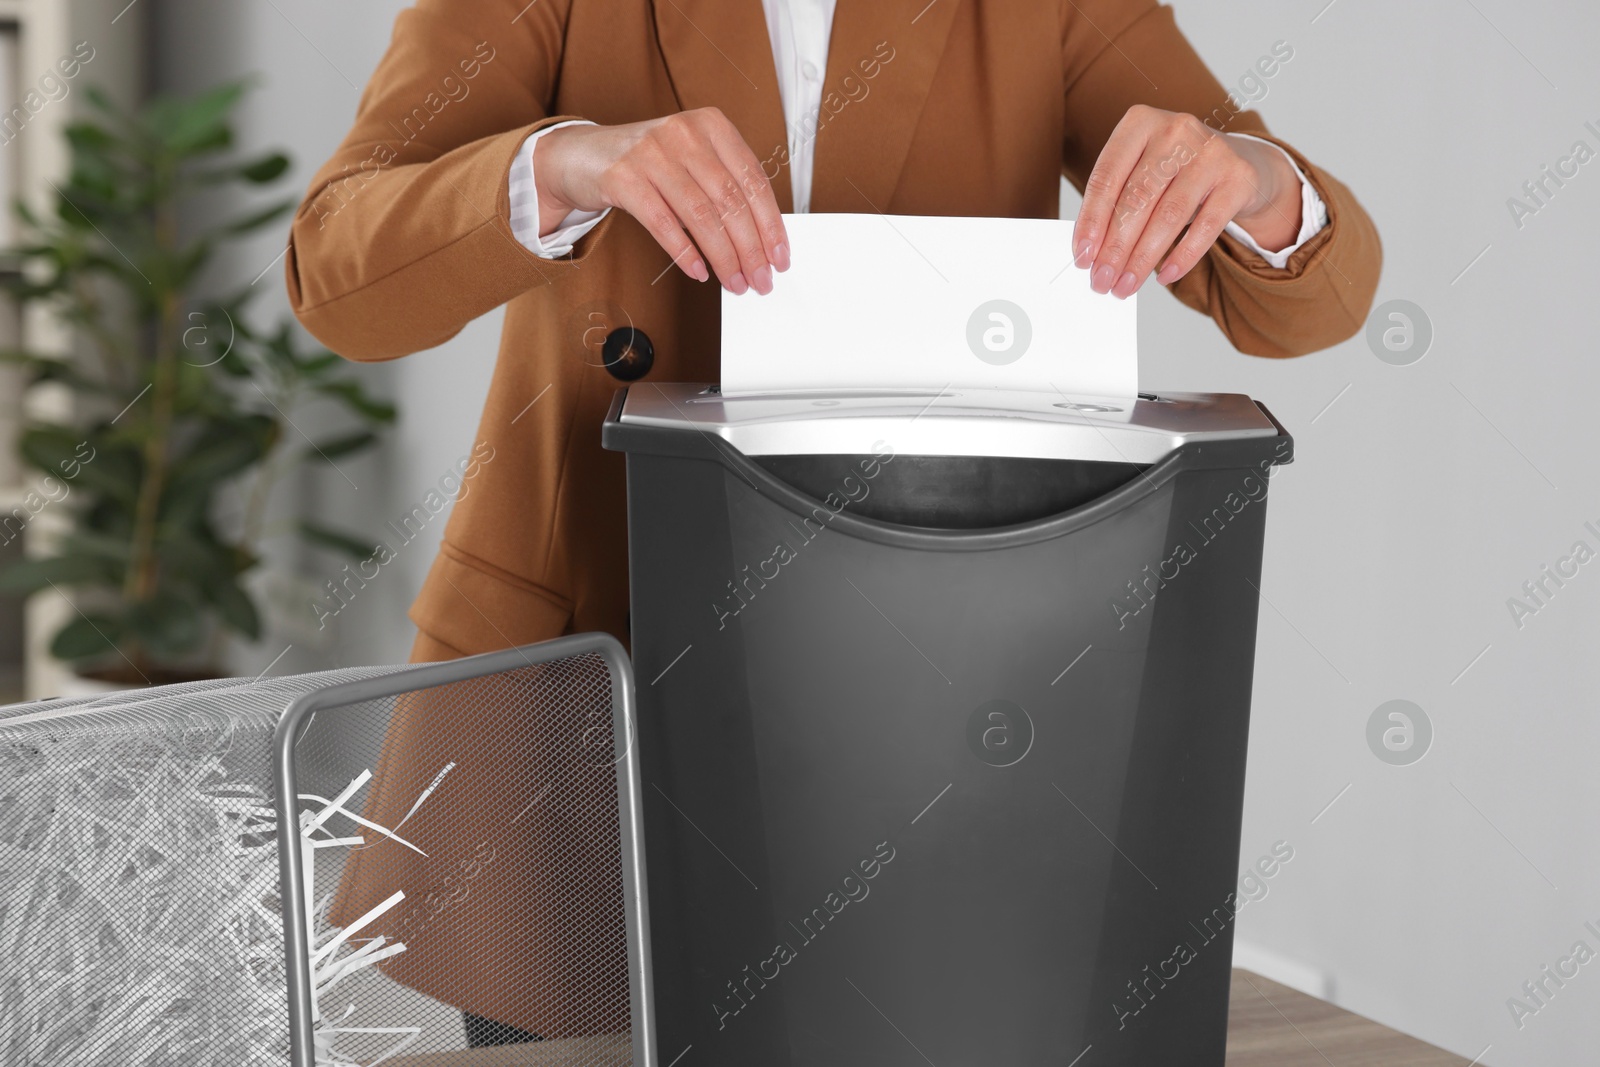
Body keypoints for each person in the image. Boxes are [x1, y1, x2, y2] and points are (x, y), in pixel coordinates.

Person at [288, 0, 1380, 1046]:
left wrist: (1254, 181)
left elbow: (1311, 303)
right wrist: (562, 165)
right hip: (591, 666)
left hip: (935, 688)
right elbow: (337, 274)